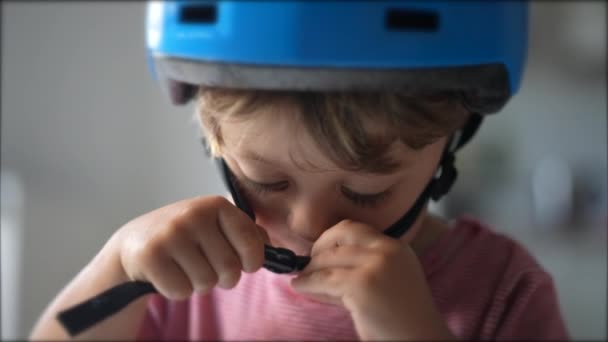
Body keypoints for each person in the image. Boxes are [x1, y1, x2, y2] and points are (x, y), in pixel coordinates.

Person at [30, 2, 569, 340]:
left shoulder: (505, 292)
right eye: (267, 182)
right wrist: (119, 267)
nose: (310, 227)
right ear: (215, 141)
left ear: (451, 143)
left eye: (365, 192)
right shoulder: (188, 280)